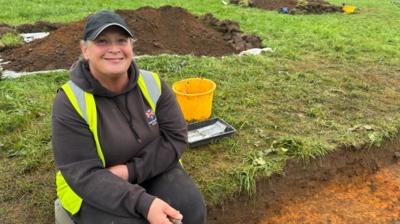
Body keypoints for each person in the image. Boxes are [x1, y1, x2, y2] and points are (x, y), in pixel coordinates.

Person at [52, 10, 206, 224]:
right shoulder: (70, 101)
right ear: (85, 50)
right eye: (102, 41)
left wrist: (129, 171)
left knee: (191, 208)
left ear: (131, 46)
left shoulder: (152, 84)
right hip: (95, 186)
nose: (114, 49)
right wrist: (145, 203)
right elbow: (82, 173)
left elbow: (176, 138)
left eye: (121, 40)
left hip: (149, 169)